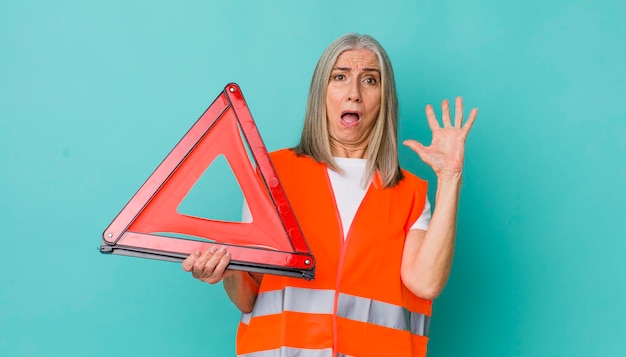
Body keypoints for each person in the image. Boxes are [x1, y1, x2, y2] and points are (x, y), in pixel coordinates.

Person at [182, 33, 477, 357]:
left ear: (385, 98)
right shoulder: (273, 176)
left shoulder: (409, 192)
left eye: (370, 80)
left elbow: (426, 283)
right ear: (321, 92)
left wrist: (451, 178)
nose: (354, 94)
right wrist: (222, 270)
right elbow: (248, 293)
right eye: (340, 77)